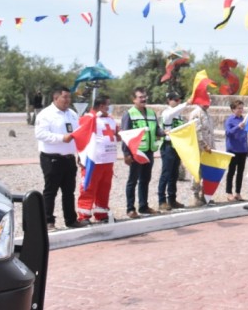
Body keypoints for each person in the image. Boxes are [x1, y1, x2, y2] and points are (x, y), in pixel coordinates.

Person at [34, 86, 85, 230]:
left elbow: (78, 135)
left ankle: (71, 220)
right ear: (56, 98)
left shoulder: (73, 114)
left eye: (69, 97)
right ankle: (48, 221)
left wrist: (80, 154)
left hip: (69, 158)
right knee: (51, 191)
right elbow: (40, 134)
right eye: (65, 97)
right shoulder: (45, 114)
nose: (68, 100)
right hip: (52, 159)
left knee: (69, 191)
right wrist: (61, 138)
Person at [76, 96, 119, 223]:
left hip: (107, 160)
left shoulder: (109, 119)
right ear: (100, 106)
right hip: (93, 160)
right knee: (88, 187)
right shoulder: (88, 118)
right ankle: (83, 216)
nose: (109, 108)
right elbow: (80, 136)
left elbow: (116, 134)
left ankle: (102, 213)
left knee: (104, 188)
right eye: (107, 105)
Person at [121, 87, 163, 218]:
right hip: (136, 153)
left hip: (149, 152)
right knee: (132, 181)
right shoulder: (129, 114)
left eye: (145, 96)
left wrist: (166, 132)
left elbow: (157, 130)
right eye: (140, 97)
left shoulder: (151, 113)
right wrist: (126, 154)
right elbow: (125, 135)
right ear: (134, 99)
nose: (144, 99)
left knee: (145, 180)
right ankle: (130, 208)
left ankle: (143, 206)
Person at [158, 91, 187, 211]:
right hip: (168, 146)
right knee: (166, 173)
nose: (178, 101)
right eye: (175, 99)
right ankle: (162, 201)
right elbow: (171, 114)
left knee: (174, 174)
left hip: (177, 146)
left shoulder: (179, 116)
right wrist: (187, 103)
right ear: (169, 100)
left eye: (179, 99)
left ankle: (172, 199)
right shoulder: (167, 113)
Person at [188, 87, 215, 206]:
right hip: (199, 148)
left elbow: (210, 132)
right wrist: (204, 146)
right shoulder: (196, 113)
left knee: (207, 171)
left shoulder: (207, 113)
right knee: (197, 172)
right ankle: (195, 196)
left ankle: (205, 195)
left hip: (209, 149)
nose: (208, 103)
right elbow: (197, 131)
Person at [224, 100, 248, 201]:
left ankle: (238, 192)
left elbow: (245, 135)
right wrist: (237, 127)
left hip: (242, 149)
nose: (241, 110)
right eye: (239, 108)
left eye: (242, 108)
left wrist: (247, 149)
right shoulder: (230, 120)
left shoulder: (243, 119)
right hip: (233, 149)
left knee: (240, 172)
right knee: (231, 172)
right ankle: (229, 192)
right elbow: (228, 133)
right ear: (233, 109)